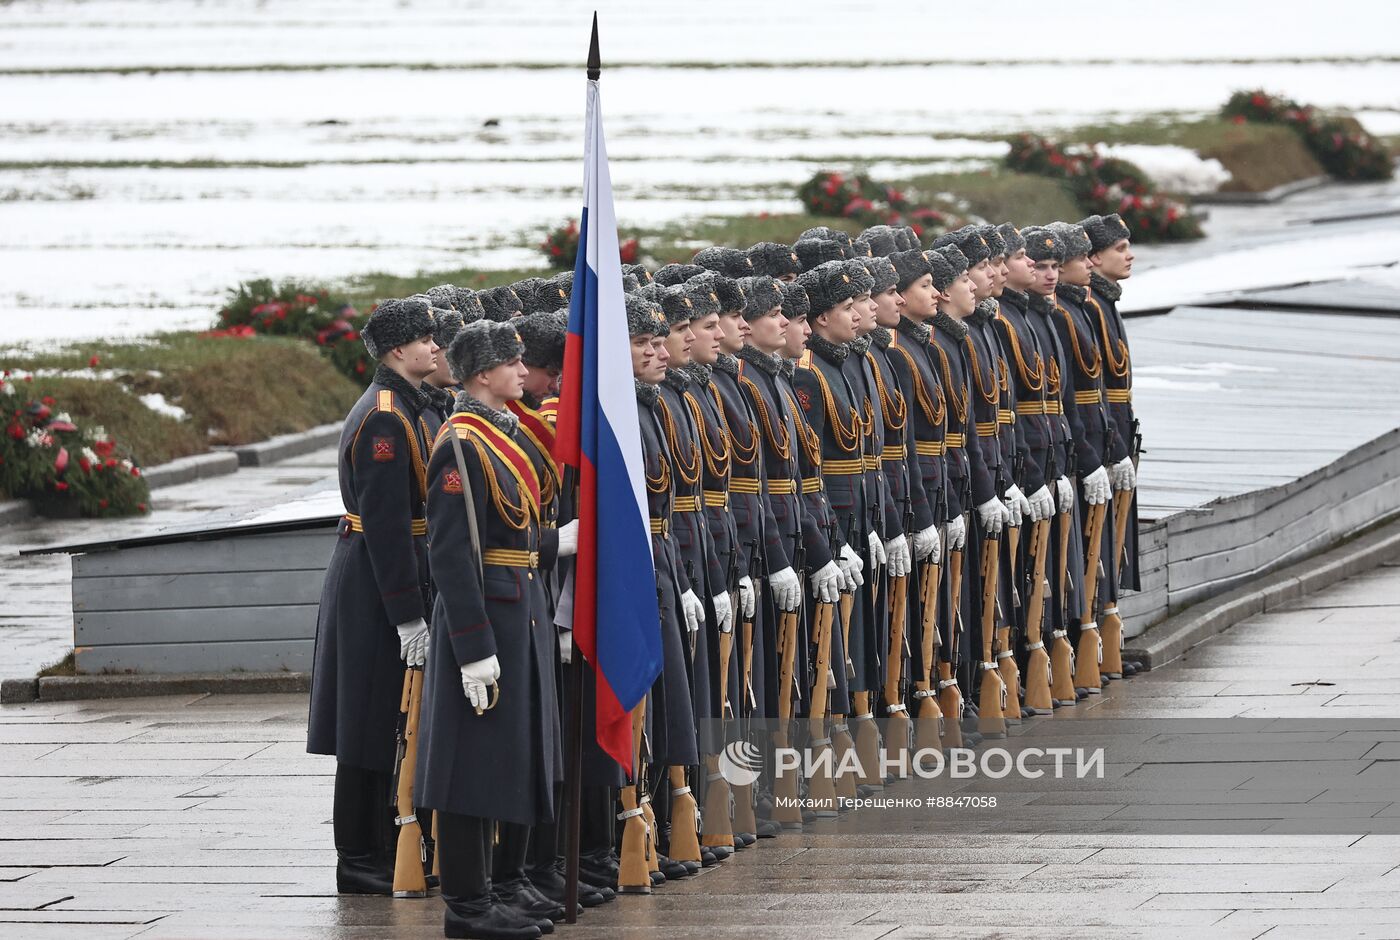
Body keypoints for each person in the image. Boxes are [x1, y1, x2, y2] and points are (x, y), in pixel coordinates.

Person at [416, 318, 572, 939]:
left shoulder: (499, 434)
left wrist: (554, 544)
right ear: (483, 375)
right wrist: (473, 648)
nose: (522, 370)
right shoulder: (461, 443)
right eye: (511, 362)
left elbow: (510, 534)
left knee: (513, 757)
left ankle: (502, 886)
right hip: (485, 617)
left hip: (521, 605)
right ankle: (468, 907)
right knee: (469, 768)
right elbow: (452, 554)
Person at [307, 297, 438, 896]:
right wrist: (408, 615)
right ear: (395, 352)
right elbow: (386, 525)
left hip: (392, 569)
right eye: (424, 339)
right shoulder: (386, 417)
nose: (436, 347)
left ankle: (381, 845)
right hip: (375, 580)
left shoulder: (408, 404)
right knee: (367, 723)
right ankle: (358, 856)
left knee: (390, 718)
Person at [1047, 220, 1132, 694]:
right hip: (1069, 449)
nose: (1130, 255)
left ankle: (1095, 642)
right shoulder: (1073, 309)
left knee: (1097, 556)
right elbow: (1072, 394)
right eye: (1118, 248)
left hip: (1096, 440)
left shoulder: (1091, 305)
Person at [1082, 212, 1142, 678]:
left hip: (1113, 433)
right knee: (1090, 549)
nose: (1129, 255)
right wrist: (1109, 449)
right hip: (1097, 441)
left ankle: (1106, 639)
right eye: (1120, 248)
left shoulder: (1104, 303)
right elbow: (1086, 392)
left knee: (1109, 547)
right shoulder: (1088, 307)